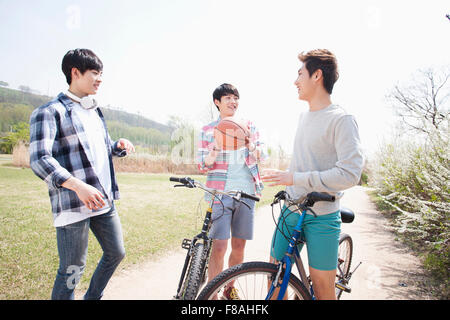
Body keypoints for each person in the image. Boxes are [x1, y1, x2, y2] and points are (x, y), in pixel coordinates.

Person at [29, 48, 135, 300]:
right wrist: (79, 187)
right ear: (75, 73)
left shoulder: (93, 111)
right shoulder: (49, 112)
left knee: (116, 253)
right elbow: (39, 159)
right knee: (72, 270)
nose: (100, 79)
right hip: (74, 203)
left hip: (103, 201)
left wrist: (118, 146)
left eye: (101, 74)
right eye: (94, 73)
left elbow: (102, 149)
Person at [262, 49, 364, 300]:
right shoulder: (302, 117)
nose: (295, 81)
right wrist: (288, 177)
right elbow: (305, 164)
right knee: (274, 277)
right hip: (291, 209)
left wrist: (296, 178)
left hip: (322, 216)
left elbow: (350, 173)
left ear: (317, 75)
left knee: (322, 289)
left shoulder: (342, 119)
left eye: (300, 74)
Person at [197, 83, 265, 300]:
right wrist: (215, 149)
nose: (233, 102)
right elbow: (201, 165)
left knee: (238, 245)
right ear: (217, 102)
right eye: (227, 98)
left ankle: (229, 287)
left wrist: (250, 145)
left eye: (235, 98)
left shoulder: (249, 126)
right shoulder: (208, 130)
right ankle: (212, 292)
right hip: (220, 193)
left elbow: (262, 155)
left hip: (247, 193)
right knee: (219, 246)